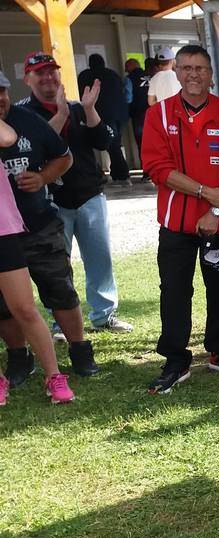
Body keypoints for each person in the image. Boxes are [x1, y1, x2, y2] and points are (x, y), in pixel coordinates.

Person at [140, 44, 219, 394]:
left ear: (210, 74)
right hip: (176, 222)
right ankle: (176, 360)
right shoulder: (158, 115)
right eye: (186, 67)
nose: (193, 74)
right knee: (175, 290)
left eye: (200, 68)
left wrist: (216, 210)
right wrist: (206, 194)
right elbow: (159, 169)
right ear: (175, 72)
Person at [0, 65, 100, 384]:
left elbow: (64, 157)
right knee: (4, 305)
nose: (0, 98)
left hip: (38, 224)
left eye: (2, 91)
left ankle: (80, 350)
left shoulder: (27, 120)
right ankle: (19, 357)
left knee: (60, 290)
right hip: (2, 234)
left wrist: (42, 177)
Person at [20, 52, 132, 335]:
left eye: (52, 71)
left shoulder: (78, 107)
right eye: (40, 73)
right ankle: (61, 321)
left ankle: (104, 315)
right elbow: (36, 151)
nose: (48, 78)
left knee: (100, 259)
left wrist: (90, 109)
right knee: (58, 265)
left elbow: (104, 141)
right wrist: (60, 116)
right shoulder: (22, 115)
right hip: (52, 200)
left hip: (89, 194)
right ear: (27, 79)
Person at [0, 73, 75, 405]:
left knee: (24, 308)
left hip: (3, 228)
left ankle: (54, 376)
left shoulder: (9, 125)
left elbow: (7, 137)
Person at [78, 54, 129, 185]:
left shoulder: (85, 76)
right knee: (115, 144)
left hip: (101, 115)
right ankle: (119, 173)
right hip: (119, 114)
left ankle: (120, 174)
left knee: (109, 145)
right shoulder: (112, 74)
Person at [125, 58, 151, 157]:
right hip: (153, 113)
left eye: (127, 67)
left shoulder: (129, 78)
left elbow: (128, 98)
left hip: (138, 114)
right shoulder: (150, 76)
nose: (125, 70)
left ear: (131, 66)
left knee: (142, 143)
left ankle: (145, 164)